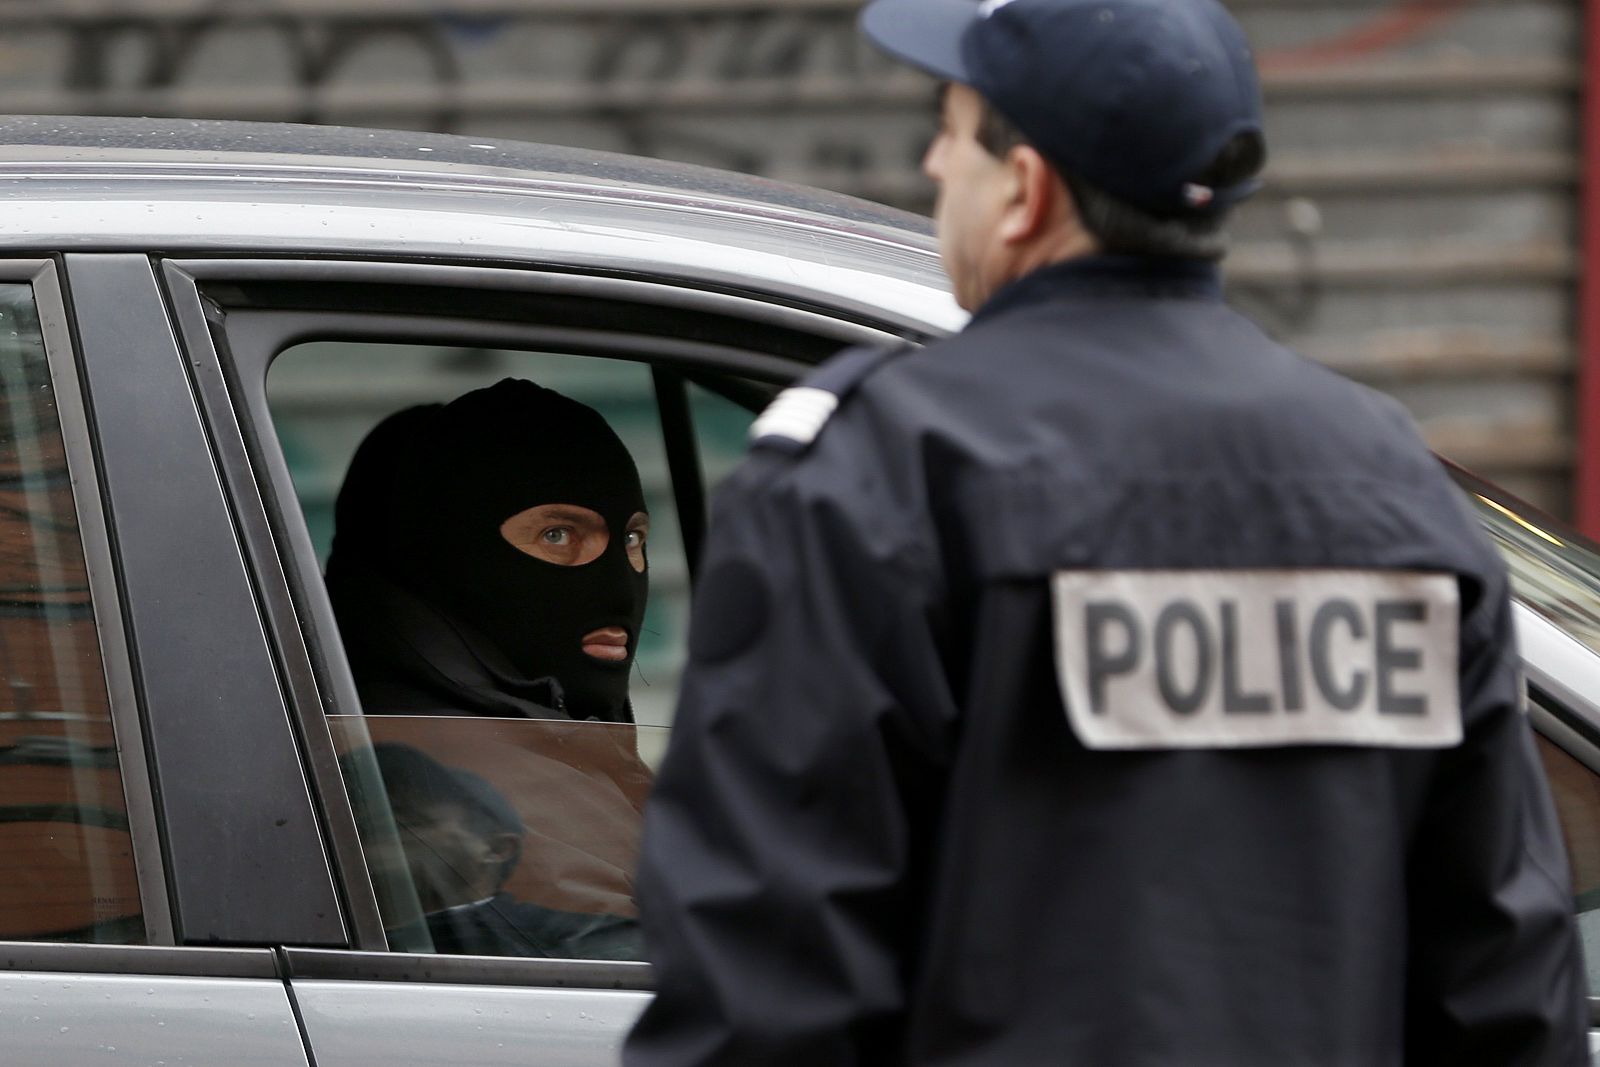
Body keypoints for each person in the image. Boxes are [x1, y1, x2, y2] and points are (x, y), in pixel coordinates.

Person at [624, 1, 1588, 1064]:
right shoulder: (1393, 483)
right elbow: (1504, 991)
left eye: (950, 128)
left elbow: (764, 992)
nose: (937, 163)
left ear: (1026, 190)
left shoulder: (876, 473)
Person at [325, 377, 651, 723]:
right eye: (556, 535)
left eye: (631, 539)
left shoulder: (571, 737)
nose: (621, 593)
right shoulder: (433, 763)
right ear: (455, 557)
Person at [343, 741, 641, 959]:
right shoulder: (329, 940)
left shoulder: (584, 943)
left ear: (497, 848)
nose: (370, 838)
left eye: (403, 821)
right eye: (359, 826)